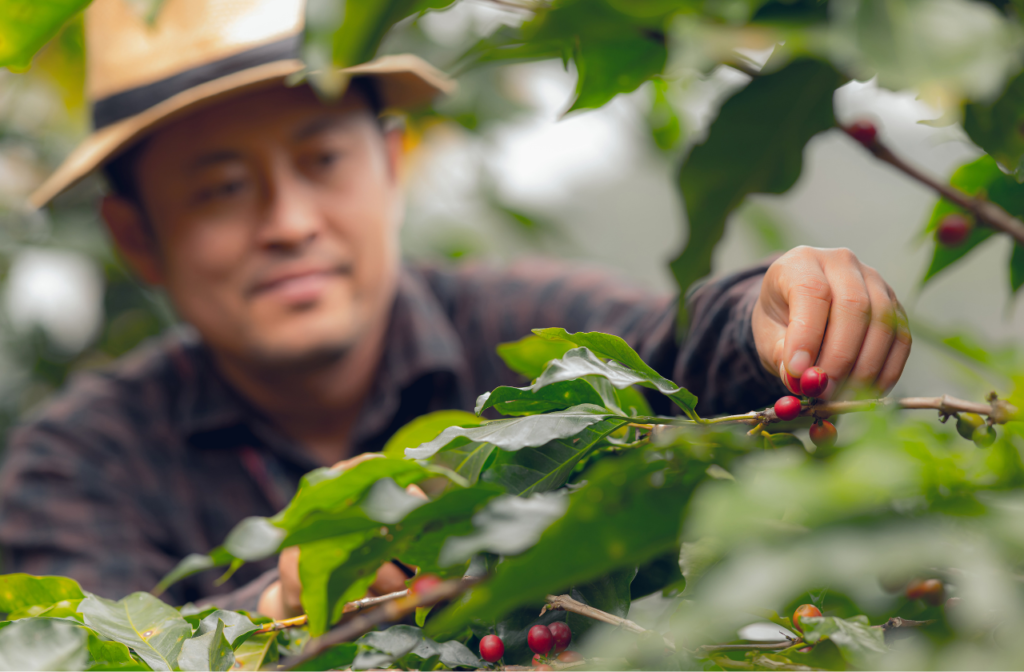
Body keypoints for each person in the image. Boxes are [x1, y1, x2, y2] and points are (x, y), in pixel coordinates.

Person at [0, 0, 911, 618]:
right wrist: (285, 610)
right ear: (137, 238)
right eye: (221, 190)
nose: (288, 224)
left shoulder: (520, 330)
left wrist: (772, 315)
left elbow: (673, 355)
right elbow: (92, 650)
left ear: (392, 165)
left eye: (322, 162)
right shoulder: (78, 466)